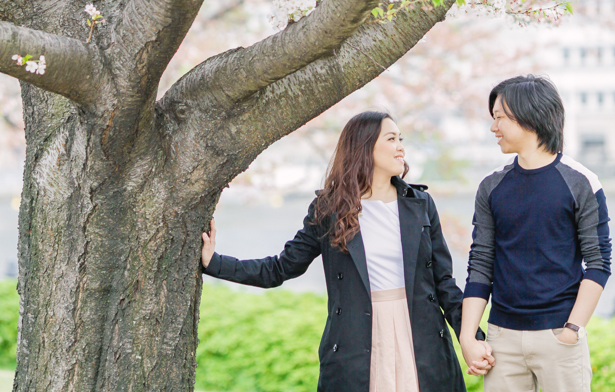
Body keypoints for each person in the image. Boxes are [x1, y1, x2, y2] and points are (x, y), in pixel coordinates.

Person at [201, 110, 488, 392]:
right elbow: (280, 268)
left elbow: (444, 284)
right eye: (391, 139)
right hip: (356, 341)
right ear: (365, 146)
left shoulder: (420, 204)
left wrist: (472, 336)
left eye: (400, 139)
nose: (401, 147)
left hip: (421, 338)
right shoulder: (331, 210)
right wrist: (215, 263)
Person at [460, 74, 612, 392]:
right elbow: (481, 263)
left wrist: (572, 329)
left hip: (560, 337)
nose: (493, 128)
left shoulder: (581, 181)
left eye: (499, 117)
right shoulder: (491, 186)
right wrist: (468, 335)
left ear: (530, 115)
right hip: (502, 339)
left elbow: (598, 263)